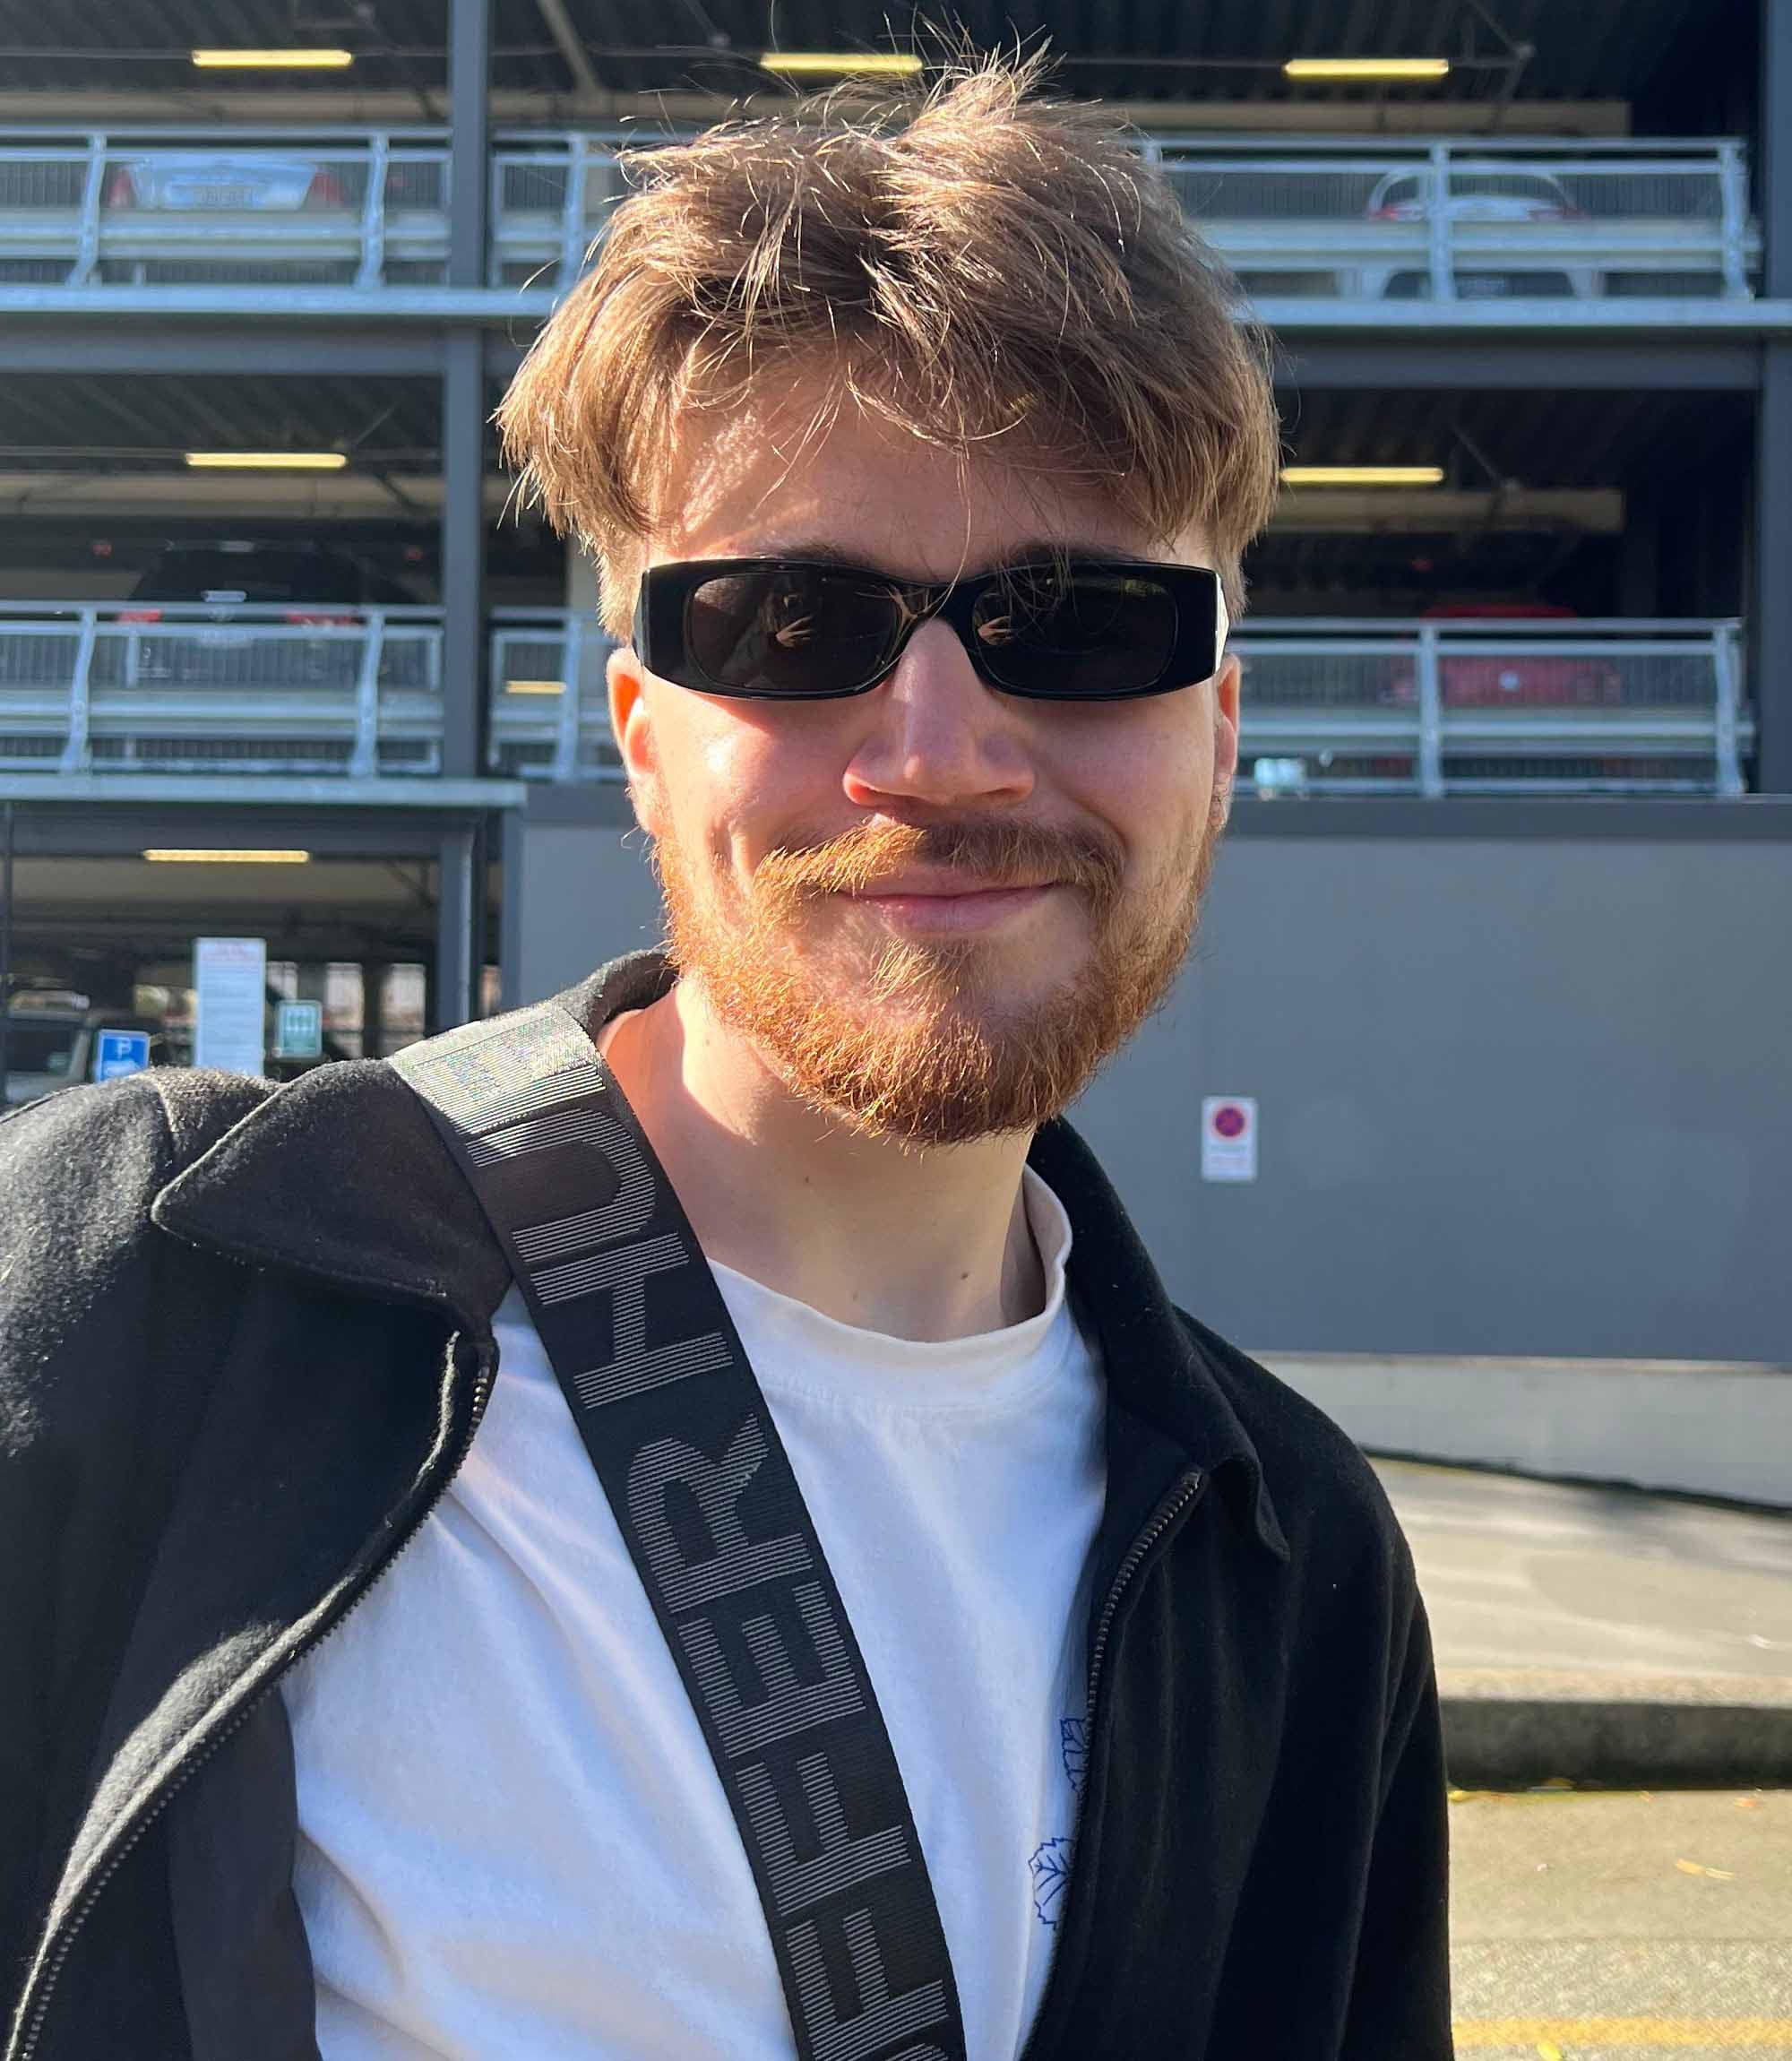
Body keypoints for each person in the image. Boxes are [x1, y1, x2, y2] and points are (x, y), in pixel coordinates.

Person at [0, 53, 1451, 2061]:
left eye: (1086, 622)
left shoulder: (1293, 1571)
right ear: (638, 728)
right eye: (785, 623)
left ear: (1217, 725)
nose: (933, 751)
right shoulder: (142, 1293)